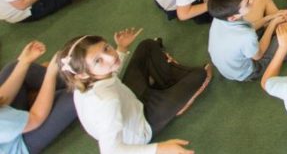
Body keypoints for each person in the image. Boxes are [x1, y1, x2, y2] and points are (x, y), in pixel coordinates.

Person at [59, 27, 210, 154]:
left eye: (106, 48)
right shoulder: (106, 101)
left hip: (130, 100)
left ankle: (166, 84)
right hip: (143, 126)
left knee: (147, 45)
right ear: (83, 74)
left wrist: (121, 48)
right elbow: (111, 150)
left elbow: (111, 74)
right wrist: (159, 148)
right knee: (200, 75)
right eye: (98, 60)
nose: (110, 57)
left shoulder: (85, 81)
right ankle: (170, 90)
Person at [207, 0, 287, 82]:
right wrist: (272, 24)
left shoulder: (220, 19)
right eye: (247, 4)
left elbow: (248, 26)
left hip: (235, 60)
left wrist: (270, 17)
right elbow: (258, 55)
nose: (252, 1)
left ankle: (283, 32)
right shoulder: (246, 36)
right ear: (233, 17)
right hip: (251, 69)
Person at [0, 41, 76, 154]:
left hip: (7, 120)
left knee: (15, 67)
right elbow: (36, 117)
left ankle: (66, 79)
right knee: (75, 97)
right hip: (20, 141)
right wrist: (50, 73)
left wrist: (24, 62)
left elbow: (2, 98)